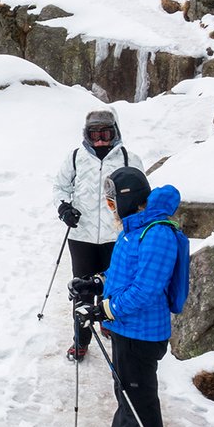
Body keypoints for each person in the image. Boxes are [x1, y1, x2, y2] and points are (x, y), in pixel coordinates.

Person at [72, 167, 185, 427]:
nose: (111, 209)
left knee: (141, 399)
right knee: (127, 393)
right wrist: (96, 282)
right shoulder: (132, 232)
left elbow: (146, 290)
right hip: (125, 328)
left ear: (129, 200)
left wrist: (103, 309)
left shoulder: (158, 234)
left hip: (143, 333)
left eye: (112, 203)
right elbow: (121, 274)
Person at [53, 110, 142, 361]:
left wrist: (133, 220)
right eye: (95, 134)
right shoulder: (75, 158)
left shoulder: (128, 158)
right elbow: (60, 186)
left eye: (106, 133)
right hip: (82, 235)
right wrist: (64, 207)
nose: (100, 140)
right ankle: (80, 340)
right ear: (86, 135)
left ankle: (107, 322)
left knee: (112, 286)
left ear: (115, 132)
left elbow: (142, 194)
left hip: (116, 237)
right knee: (82, 289)